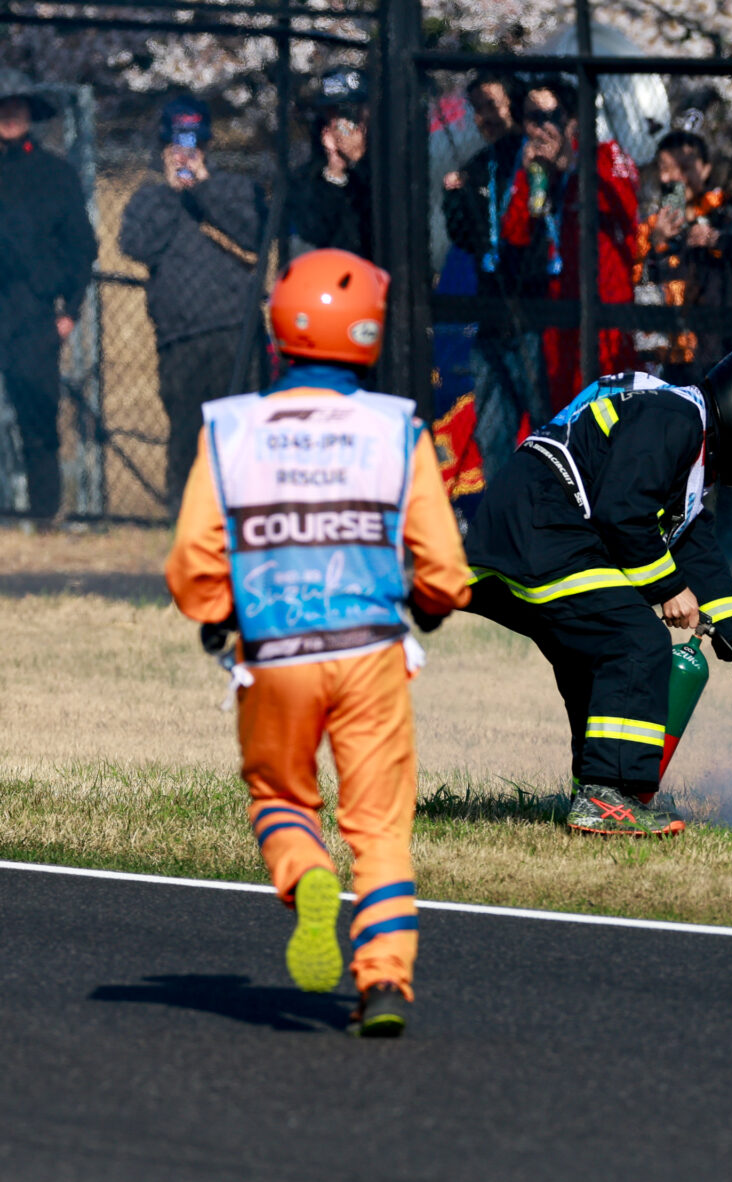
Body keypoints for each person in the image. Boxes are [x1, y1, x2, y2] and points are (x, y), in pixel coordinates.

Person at [163, 250, 473, 1035]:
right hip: (371, 649)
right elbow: (442, 564)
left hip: (274, 651)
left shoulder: (231, 427)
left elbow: (193, 561)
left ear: (280, 327)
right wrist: (434, 603)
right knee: (379, 823)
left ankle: (305, 875)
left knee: (279, 794)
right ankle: (385, 983)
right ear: (366, 335)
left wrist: (216, 610)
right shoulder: (396, 426)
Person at [462, 341, 732, 836]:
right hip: (543, 525)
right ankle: (608, 795)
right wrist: (667, 587)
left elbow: (694, 545)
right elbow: (621, 510)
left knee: (596, 652)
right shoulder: (675, 417)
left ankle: (602, 788)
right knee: (634, 640)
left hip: (530, 529)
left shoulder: (685, 441)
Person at [119, 97, 268, 509]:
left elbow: (254, 233)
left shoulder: (236, 188)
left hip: (235, 332)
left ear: (208, 145)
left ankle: (247, 520)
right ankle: (183, 523)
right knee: (186, 435)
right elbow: (136, 245)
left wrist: (204, 186)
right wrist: (171, 192)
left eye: (194, 146)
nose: (185, 155)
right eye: (176, 146)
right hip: (179, 339)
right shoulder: (148, 199)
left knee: (242, 436)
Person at [501, 76, 643, 415]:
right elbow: (515, 235)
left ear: (573, 120)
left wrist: (573, 169)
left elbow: (627, 212)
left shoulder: (602, 157)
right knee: (563, 416)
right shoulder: (532, 170)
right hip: (556, 314)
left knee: (610, 417)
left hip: (606, 311)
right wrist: (533, 180)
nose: (541, 128)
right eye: (532, 119)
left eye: (552, 117)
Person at [0, 80, 97, 528]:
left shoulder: (55, 174)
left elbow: (81, 247)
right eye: (3, 107)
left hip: (32, 312)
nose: (9, 115)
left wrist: (70, 310)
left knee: (38, 415)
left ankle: (44, 516)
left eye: (17, 107)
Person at [441, 72, 546, 472]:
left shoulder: (536, 155)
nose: (483, 117)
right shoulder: (479, 165)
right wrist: (454, 199)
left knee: (546, 427)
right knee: (492, 434)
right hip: (491, 313)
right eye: (476, 109)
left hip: (537, 312)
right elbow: (467, 238)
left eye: (491, 105)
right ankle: (500, 522)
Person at [640, 128, 732, 383]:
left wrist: (717, 239)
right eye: (666, 168)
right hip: (674, 357)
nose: (675, 178)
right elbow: (641, 286)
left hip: (729, 347)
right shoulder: (651, 227)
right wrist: (658, 244)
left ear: (705, 169)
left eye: (685, 166)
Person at [291, 67, 372, 258]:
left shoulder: (387, 161)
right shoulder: (307, 175)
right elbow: (313, 232)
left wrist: (360, 160)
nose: (346, 123)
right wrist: (335, 172)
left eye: (353, 111)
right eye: (335, 112)